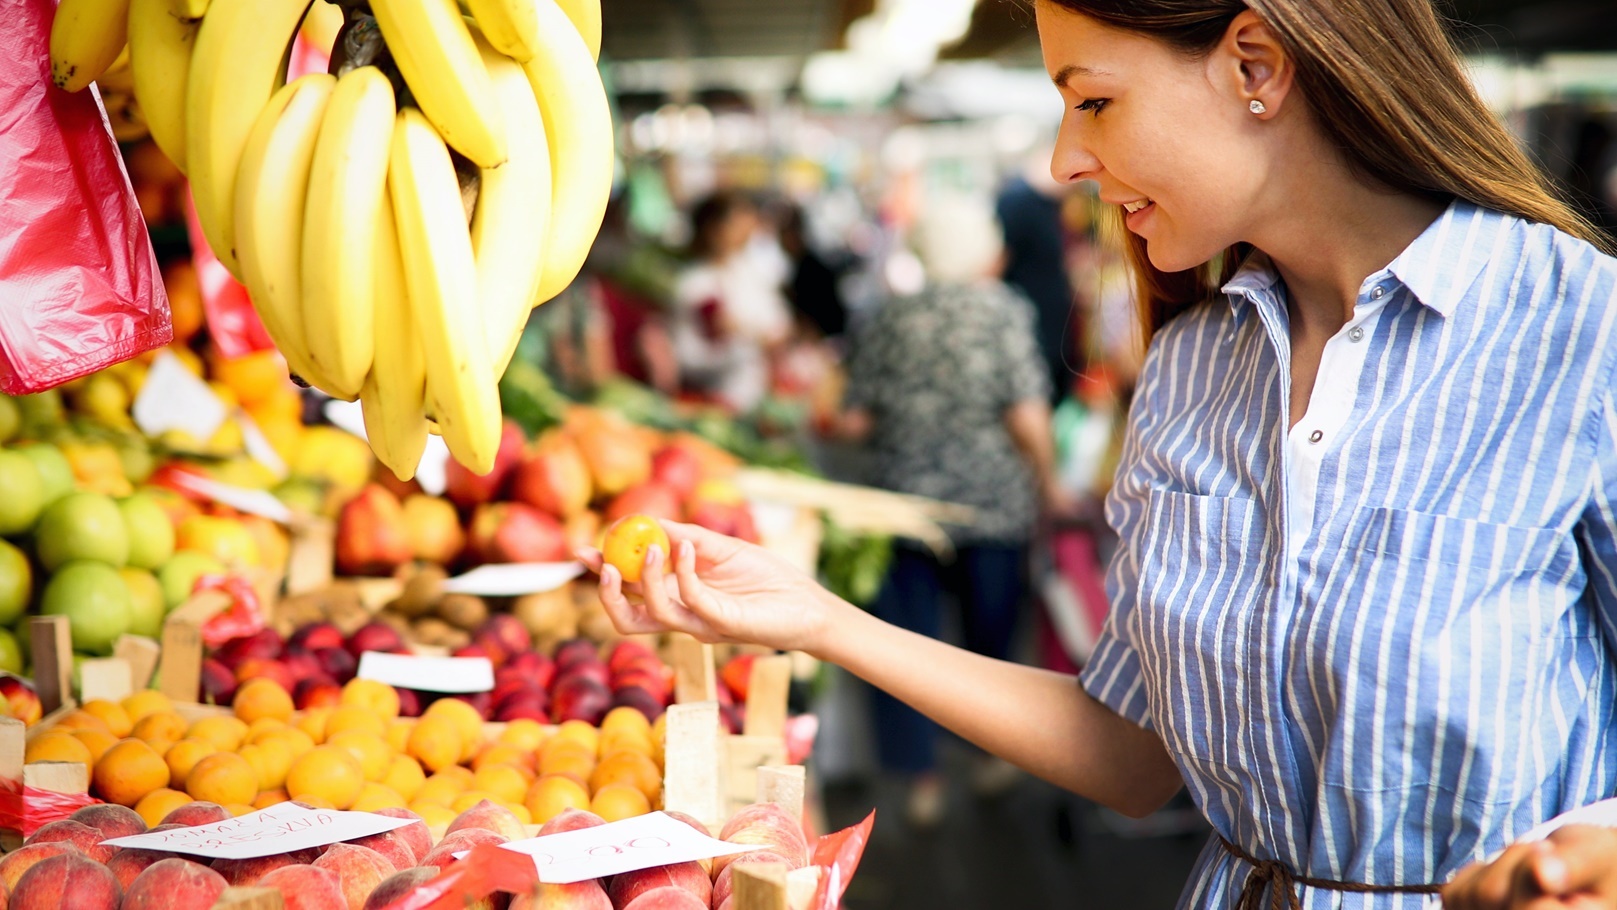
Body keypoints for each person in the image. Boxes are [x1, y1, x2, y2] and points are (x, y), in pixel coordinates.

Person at [579, 1, 1617, 907]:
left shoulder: (1583, 331)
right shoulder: (1191, 369)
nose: (1063, 159)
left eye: (1095, 101)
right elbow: (1130, 754)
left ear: (1256, 65)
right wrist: (814, 617)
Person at [826, 194, 1066, 825]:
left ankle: (921, 779)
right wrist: (1049, 481)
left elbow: (852, 419)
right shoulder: (1003, 311)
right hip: (990, 506)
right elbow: (1026, 412)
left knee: (905, 647)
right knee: (988, 645)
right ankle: (992, 757)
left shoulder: (889, 314)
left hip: (902, 507)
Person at [667, 191, 793, 413]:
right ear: (713, 229)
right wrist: (751, 336)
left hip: (754, 395)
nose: (745, 232)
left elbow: (780, 324)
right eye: (736, 224)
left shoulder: (749, 272)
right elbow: (702, 346)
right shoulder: (695, 283)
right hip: (711, 400)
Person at [997, 147, 1082, 403]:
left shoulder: (1053, 206)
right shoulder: (1017, 202)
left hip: (1056, 324)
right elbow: (999, 262)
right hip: (1033, 326)